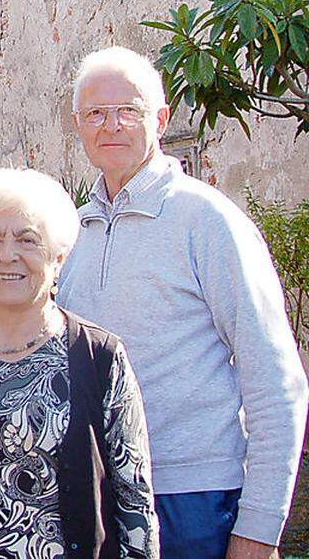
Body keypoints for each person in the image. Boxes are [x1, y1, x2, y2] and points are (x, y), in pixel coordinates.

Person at [58, 46, 309, 559]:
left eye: (128, 110)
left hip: (194, 498)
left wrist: (260, 525)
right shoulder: (73, 230)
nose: (112, 126)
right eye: (96, 114)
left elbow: (274, 376)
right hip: (101, 495)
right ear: (77, 125)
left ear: (161, 118)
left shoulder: (207, 220)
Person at [0, 167, 159, 558]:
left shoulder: (99, 356)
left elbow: (134, 504)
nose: (7, 255)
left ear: (59, 257)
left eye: (27, 239)